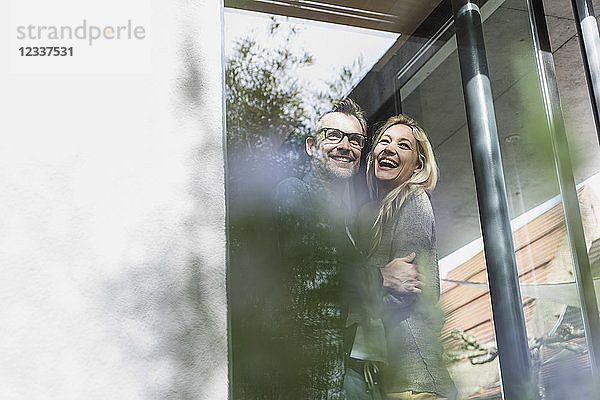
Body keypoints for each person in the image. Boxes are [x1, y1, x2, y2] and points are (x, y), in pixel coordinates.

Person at [271, 100, 420, 399]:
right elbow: (313, 275)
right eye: (333, 135)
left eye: (355, 140)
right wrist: (384, 278)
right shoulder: (294, 192)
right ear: (312, 147)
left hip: (349, 378)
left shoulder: (348, 225)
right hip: (309, 383)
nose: (345, 146)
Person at [357, 115, 457, 400]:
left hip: (415, 380)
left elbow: (406, 291)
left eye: (403, 145)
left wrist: (353, 298)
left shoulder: (413, 199)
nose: (389, 149)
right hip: (384, 377)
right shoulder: (366, 215)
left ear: (418, 164)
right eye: (384, 141)